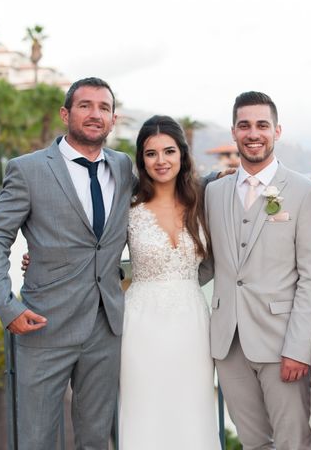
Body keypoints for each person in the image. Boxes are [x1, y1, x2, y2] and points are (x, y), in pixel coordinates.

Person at [0, 77, 134, 449]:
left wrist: (219, 179)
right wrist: (7, 306)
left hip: (105, 326)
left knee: (97, 438)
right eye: (85, 106)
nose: (95, 114)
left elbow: (171, 184)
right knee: (36, 439)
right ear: (66, 113)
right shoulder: (27, 169)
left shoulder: (125, 167)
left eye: (104, 107)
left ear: (113, 119)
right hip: (43, 325)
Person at [201, 91, 311, 449]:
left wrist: (300, 348)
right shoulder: (214, 192)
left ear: (277, 131)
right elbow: (208, 261)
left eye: (262, 125)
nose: (253, 133)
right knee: (253, 443)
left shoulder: (305, 192)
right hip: (228, 343)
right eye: (244, 125)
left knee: (293, 442)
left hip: (281, 342)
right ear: (234, 132)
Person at [118, 115, 220, 448]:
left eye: (169, 151)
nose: (161, 161)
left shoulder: (201, 201)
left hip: (192, 324)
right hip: (141, 325)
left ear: (182, 155)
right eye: (151, 153)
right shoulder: (128, 206)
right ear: (141, 159)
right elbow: (96, 255)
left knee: (193, 412)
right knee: (145, 412)